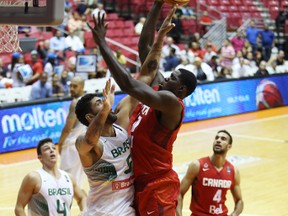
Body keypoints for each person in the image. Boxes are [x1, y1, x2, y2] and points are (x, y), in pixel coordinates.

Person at [88, 5, 197, 215]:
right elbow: (144, 46)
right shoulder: (160, 89)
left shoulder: (172, 103)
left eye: (172, 78)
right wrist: (158, 5)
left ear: (181, 89)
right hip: (138, 183)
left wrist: (102, 43)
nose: (165, 78)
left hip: (158, 183)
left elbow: (129, 84)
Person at [176, 130, 243, 216]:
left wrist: (234, 214)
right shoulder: (197, 166)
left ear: (229, 146)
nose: (218, 140)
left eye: (223, 139)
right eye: (216, 138)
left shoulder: (233, 171)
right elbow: (179, 193)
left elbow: (239, 201)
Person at [15, 138, 86, 216]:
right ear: (40, 157)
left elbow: (82, 198)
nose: (51, 150)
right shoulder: (33, 178)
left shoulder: (69, 178)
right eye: (47, 149)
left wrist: (83, 212)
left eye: (54, 148)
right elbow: (19, 208)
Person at [58, 76, 87, 189]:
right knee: (77, 183)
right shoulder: (89, 100)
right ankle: (82, 204)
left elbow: (68, 127)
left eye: (75, 86)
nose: (71, 89)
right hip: (83, 144)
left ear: (82, 87)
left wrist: (60, 143)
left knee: (64, 181)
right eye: (70, 85)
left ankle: (63, 205)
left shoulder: (75, 102)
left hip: (71, 145)